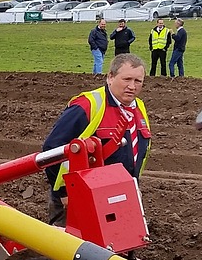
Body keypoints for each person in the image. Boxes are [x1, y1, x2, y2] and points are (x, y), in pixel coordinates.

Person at [42, 53, 151, 225]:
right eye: (127, 79)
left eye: (138, 81)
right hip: (80, 196)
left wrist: (134, 186)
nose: (132, 86)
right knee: (72, 248)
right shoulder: (88, 105)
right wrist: (64, 193)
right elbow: (52, 149)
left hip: (120, 194)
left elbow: (139, 153)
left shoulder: (139, 108)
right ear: (110, 77)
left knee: (122, 245)